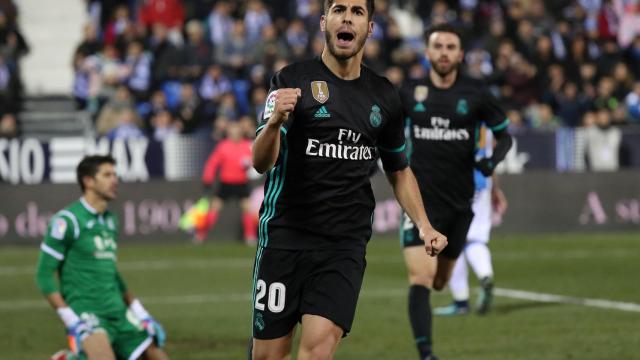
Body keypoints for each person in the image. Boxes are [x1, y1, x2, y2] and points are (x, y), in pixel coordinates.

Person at [250, 1, 447, 359]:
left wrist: (424, 225)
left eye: (358, 11)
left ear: (370, 28)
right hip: (285, 237)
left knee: (319, 348)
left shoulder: (384, 95)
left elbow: (398, 169)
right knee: (268, 356)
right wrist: (275, 122)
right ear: (325, 22)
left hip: (344, 245)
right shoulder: (291, 81)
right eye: (339, 9)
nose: (347, 17)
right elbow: (261, 162)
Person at [399, 24, 513, 360]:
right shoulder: (410, 92)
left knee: (440, 282)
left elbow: (504, 135)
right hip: (419, 203)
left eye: (451, 47)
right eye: (438, 46)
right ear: (428, 52)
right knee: (421, 276)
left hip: (459, 205)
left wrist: (492, 162)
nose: (445, 52)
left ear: (460, 54)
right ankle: (426, 353)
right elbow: (383, 128)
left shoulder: (476, 93)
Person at [35, 155, 169, 360]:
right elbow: (44, 276)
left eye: (115, 174)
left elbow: (112, 273)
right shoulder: (68, 221)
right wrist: (72, 321)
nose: (115, 180)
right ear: (88, 181)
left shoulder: (110, 220)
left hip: (117, 310)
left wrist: (141, 313)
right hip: (86, 312)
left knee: (158, 356)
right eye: (107, 175)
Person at [434, 126, 508, 316]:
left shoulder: (455, 113)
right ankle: (485, 275)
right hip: (482, 184)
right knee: (476, 237)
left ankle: (460, 302)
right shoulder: (487, 121)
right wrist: (495, 189)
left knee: (451, 240)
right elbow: (491, 157)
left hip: (456, 184)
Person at [197, 121, 257, 244]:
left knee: (248, 209)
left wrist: (249, 163)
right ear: (229, 133)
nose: (235, 133)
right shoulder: (223, 146)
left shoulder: (247, 145)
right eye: (232, 131)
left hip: (241, 183)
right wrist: (208, 177)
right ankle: (201, 235)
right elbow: (213, 163)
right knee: (214, 208)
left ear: (241, 132)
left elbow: (256, 160)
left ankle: (250, 236)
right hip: (226, 183)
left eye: (237, 131)